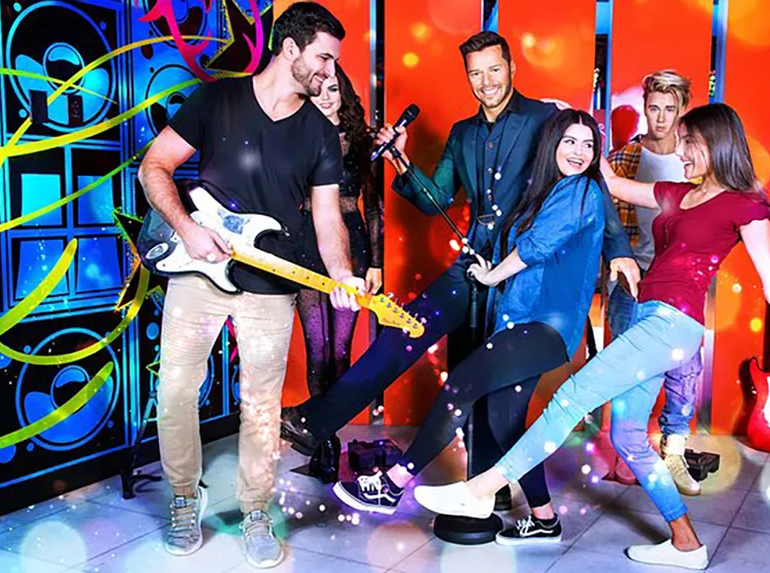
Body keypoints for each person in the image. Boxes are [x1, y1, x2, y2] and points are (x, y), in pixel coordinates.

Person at [412, 103, 770, 570]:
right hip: (648, 318)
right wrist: (561, 113)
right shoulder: (679, 193)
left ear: (716, 143)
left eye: (689, 141)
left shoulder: (745, 205)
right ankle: (686, 543)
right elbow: (608, 181)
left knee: (572, 396)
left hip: (674, 323)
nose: (680, 149)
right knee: (631, 438)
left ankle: (479, 491)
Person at [280, 31, 639, 541]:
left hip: (519, 281)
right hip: (471, 270)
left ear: (511, 67)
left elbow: (590, 187)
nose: (487, 82)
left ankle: (483, 498)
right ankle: (317, 422)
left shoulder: (545, 121)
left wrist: (620, 247)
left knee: (492, 402)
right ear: (466, 76)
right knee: (401, 334)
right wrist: (400, 162)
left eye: (495, 70)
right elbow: (434, 200)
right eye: (476, 73)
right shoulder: (462, 132)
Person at [137, 3, 365, 568]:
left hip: (271, 282)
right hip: (199, 271)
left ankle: (256, 508)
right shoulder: (217, 100)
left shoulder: (320, 134)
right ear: (290, 50)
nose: (331, 71)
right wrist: (187, 230)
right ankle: (185, 498)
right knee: (174, 391)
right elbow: (154, 167)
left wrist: (340, 275)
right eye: (324, 57)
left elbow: (327, 217)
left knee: (261, 406)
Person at [333, 109, 605, 545]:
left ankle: (394, 483)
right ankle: (545, 517)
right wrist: (402, 164)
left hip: (546, 327)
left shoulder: (583, 191)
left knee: (460, 383)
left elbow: (538, 247)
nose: (579, 152)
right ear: (552, 143)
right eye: (570, 141)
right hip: (519, 320)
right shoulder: (546, 192)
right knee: (505, 423)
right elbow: (448, 205)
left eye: (588, 145)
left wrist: (492, 275)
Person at [603, 70, 703, 496]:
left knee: (684, 370)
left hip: (678, 284)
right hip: (630, 282)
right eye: (653, 108)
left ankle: (674, 451)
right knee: (626, 371)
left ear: (682, 111)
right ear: (645, 107)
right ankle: (628, 454)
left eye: (669, 109)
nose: (660, 118)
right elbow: (605, 224)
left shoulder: (696, 165)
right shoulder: (622, 159)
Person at [295, 64, 383, 484]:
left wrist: (378, 263)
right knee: (316, 350)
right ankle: (324, 444)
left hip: (355, 248)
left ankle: (333, 433)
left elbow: (375, 208)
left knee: (340, 353)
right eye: (319, 89)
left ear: (343, 92)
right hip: (306, 249)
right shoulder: (295, 138)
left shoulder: (362, 142)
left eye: (333, 88)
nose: (327, 96)